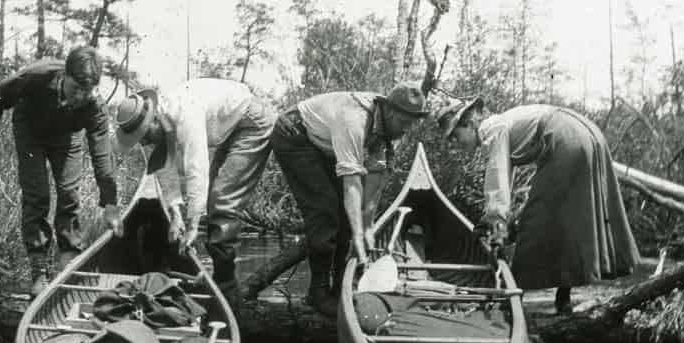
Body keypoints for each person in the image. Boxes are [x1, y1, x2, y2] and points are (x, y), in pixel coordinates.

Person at [435, 97, 641, 314]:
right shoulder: (501, 125)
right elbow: (506, 176)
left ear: (468, 124)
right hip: (587, 133)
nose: (456, 144)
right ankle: (563, 299)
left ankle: (512, 300)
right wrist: (503, 222)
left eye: (455, 137)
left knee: (536, 222)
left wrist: (494, 221)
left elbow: (497, 175)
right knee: (568, 220)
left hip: (566, 138)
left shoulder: (491, 128)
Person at [0, 47, 123, 296]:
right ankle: (39, 271)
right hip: (30, 130)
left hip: (67, 137)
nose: (80, 97)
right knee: (37, 195)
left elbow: (102, 155)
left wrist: (111, 203)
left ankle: (68, 264)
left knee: (69, 194)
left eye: (88, 91)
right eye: (75, 89)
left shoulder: (94, 107)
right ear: (65, 75)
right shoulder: (35, 77)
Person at [113, 78, 276, 311]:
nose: (146, 141)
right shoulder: (161, 125)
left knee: (222, 200)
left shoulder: (184, 112)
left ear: (155, 120)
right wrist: (176, 214)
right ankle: (221, 281)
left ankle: (226, 289)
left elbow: (196, 168)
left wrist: (192, 226)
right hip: (230, 127)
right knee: (213, 199)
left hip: (252, 122)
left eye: (146, 135)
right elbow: (165, 170)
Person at [271, 84, 430, 317]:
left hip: (322, 143)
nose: (406, 130)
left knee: (348, 215)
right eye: (404, 124)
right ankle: (318, 293)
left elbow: (374, 182)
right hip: (293, 134)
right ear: (390, 112)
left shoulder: (384, 127)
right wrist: (357, 234)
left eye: (411, 125)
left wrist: (366, 226)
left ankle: (339, 288)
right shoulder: (354, 120)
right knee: (324, 210)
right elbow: (352, 183)